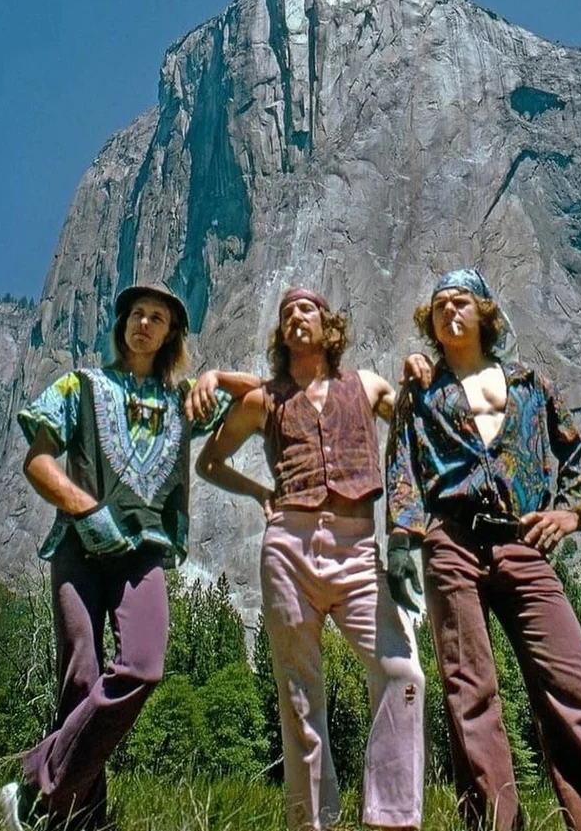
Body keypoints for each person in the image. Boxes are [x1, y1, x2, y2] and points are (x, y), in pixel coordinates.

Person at [385, 268, 581, 831]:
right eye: (438, 306)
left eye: (460, 302)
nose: (448, 312)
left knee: (575, 688)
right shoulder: (423, 389)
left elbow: (575, 453)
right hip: (451, 543)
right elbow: (402, 464)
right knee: (470, 695)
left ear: (485, 311)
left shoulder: (531, 383)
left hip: (521, 541)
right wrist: (404, 542)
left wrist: (569, 511)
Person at [0, 284, 256, 831]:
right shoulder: (79, 386)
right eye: (136, 314)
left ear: (172, 334)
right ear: (122, 324)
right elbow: (38, 461)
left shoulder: (184, 403)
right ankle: (82, 820)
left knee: (143, 664)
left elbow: (267, 391)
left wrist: (215, 378)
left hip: (145, 556)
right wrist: (86, 509)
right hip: (78, 548)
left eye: (157, 318)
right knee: (81, 680)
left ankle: (34, 785)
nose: (144, 323)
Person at [195, 287, 425, 831]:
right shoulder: (264, 400)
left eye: (307, 310)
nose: (296, 317)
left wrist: (419, 374)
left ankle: (392, 817)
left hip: (357, 546)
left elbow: (413, 421)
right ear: (281, 334)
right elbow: (209, 463)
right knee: (299, 691)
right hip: (288, 548)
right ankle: (311, 823)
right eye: (286, 313)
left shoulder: (365, 384)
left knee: (403, 672)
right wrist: (258, 494)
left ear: (329, 326)